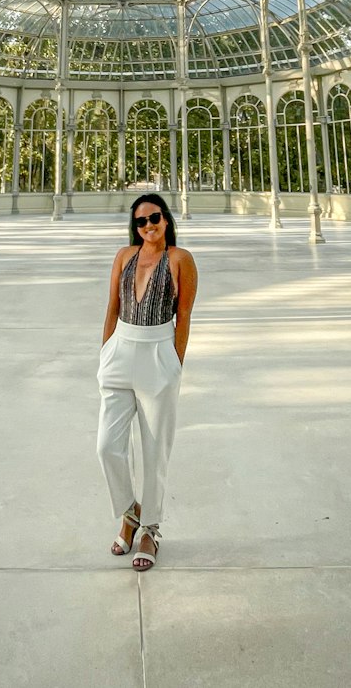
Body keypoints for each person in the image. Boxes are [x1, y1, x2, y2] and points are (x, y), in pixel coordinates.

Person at [96, 192, 198, 571]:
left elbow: (184, 316)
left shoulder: (180, 260)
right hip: (120, 352)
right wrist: (105, 354)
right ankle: (130, 511)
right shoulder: (124, 257)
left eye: (154, 218)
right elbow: (112, 308)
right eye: (140, 221)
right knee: (107, 447)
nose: (148, 226)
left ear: (166, 219)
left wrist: (175, 364)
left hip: (158, 353)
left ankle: (149, 530)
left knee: (155, 452)